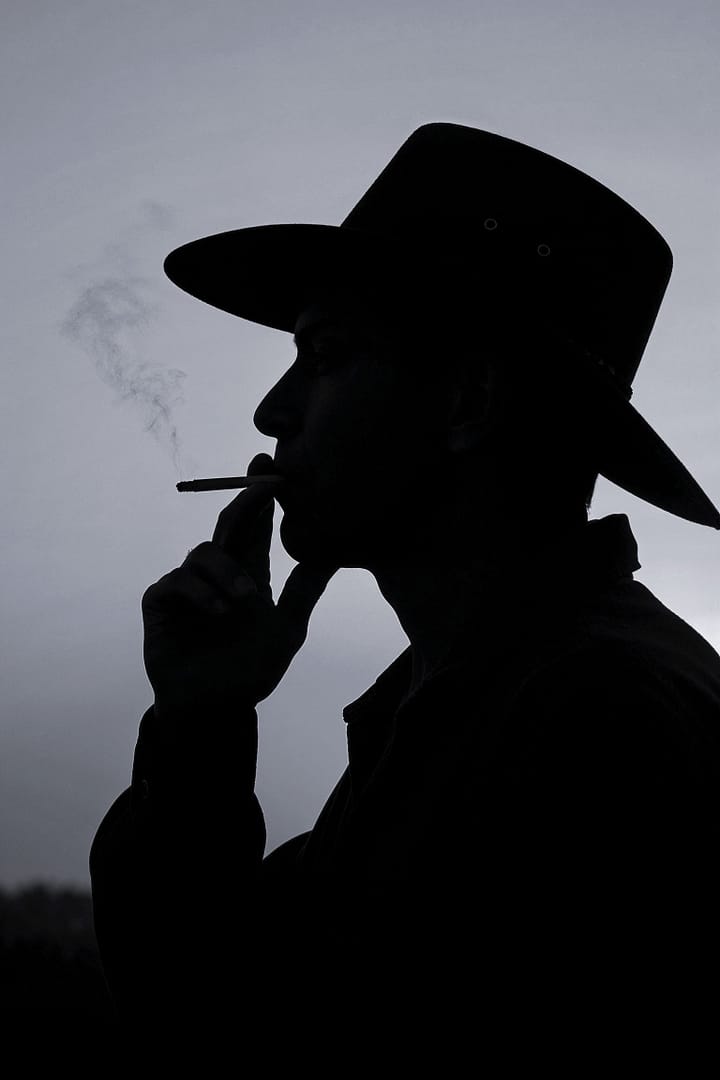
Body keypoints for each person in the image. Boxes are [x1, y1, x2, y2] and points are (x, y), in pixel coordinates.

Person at [90, 124, 720, 1061]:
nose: (271, 410)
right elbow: (216, 993)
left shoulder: (596, 722)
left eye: (326, 354)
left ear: (468, 404)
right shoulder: (462, 702)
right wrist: (201, 722)